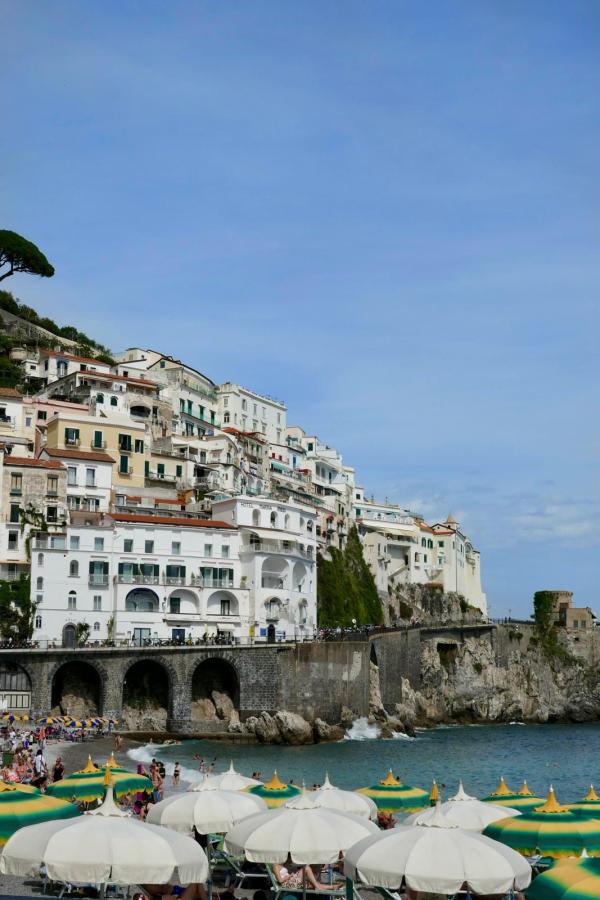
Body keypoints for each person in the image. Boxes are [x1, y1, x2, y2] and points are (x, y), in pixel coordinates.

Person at [273, 858, 341, 891]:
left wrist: (292, 873)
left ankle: (333, 887)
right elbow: (280, 880)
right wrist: (289, 876)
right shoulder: (275, 865)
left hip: (291, 881)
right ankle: (318, 886)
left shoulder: (282, 864)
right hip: (287, 884)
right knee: (306, 868)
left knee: (313, 883)